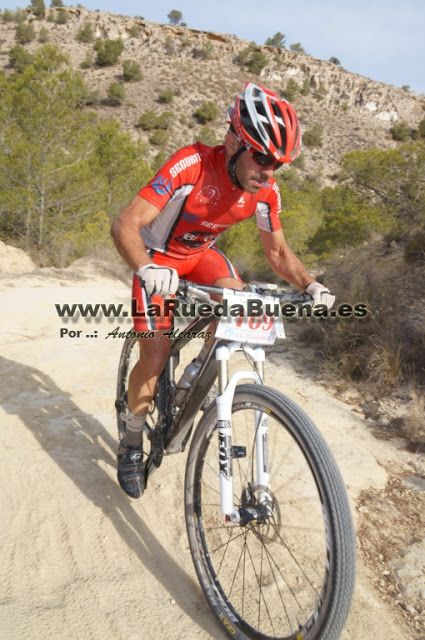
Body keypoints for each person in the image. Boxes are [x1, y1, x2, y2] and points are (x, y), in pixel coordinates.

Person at [111, 81, 335, 498]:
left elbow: (279, 253)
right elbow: (125, 224)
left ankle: (198, 371)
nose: (268, 170)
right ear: (234, 141)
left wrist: (312, 284)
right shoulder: (190, 164)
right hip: (159, 259)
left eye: (278, 164)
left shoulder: (266, 191)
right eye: (262, 157)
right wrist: (145, 267)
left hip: (201, 258)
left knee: (239, 302)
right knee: (155, 354)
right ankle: (131, 441)